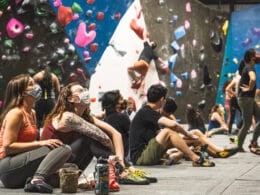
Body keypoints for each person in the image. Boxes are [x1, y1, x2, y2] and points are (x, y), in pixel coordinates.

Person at [41, 82, 150, 191]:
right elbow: (103, 138)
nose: (85, 92)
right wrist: (116, 161)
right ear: (71, 99)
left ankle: (123, 170)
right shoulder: (67, 116)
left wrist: (122, 161)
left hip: (69, 173)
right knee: (90, 137)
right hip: (52, 173)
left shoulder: (86, 117)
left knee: (94, 137)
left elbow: (116, 133)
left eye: (84, 89)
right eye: (80, 91)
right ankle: (120, 172)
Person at [0, 74, 71, 193]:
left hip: (20, 165)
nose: (36, 87)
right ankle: (37, 179)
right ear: (22, 93)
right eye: (31, 84)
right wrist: (41, 143)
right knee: (63, 148)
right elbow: (8, 147)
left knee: (66, 160)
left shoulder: (32, 112)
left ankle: (37, 179)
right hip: (7, 167)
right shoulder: (16, 113)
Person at [129, 84, 215, 167]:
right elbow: (174, 125)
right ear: (162, 99)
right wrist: (187, 134)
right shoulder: (145, 112)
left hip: (148, 152)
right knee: (169, 132)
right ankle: (195, 158)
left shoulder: (150, 113)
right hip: (140, 158)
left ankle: (217, 153)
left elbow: (160, 135)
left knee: (193, 136)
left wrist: (188, 138)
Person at [160, 97, 238, 164]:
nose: (168, 115)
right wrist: (186, 135)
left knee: (196, 132)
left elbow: (175, 130)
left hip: (171, 140)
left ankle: (219, 151)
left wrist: (185, 135)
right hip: (166, 142)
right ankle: (216, 153)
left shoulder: (169, 116)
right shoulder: (157, 115)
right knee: (195, 139)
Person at [237, 48, 260, 154]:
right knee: (247, 123)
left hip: (248, 99)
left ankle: (253, 142)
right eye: (257, 54)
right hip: (246, 99)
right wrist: (250, 89)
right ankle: (238, 146)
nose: (259, 55)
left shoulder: (248, 67)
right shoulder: (250, 67)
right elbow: (253, 79)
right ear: (252, 58)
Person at [33, 64, 60, 133]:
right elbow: (58, 90)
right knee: (50, 120)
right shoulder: (54, 76)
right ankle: (49, 136)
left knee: (38, 120)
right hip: (51, 100)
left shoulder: (37, 76)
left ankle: (37, 138)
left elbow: (32, 89)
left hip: (39, 100)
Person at [225, 70, 242, 135]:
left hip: (239, 100)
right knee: (232, 116)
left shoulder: (241, 80)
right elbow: (227, 88)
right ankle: (229, 131)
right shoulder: (235, 80)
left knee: (243, 114)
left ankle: (238, 129)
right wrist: (235, 94)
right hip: (234, 100)